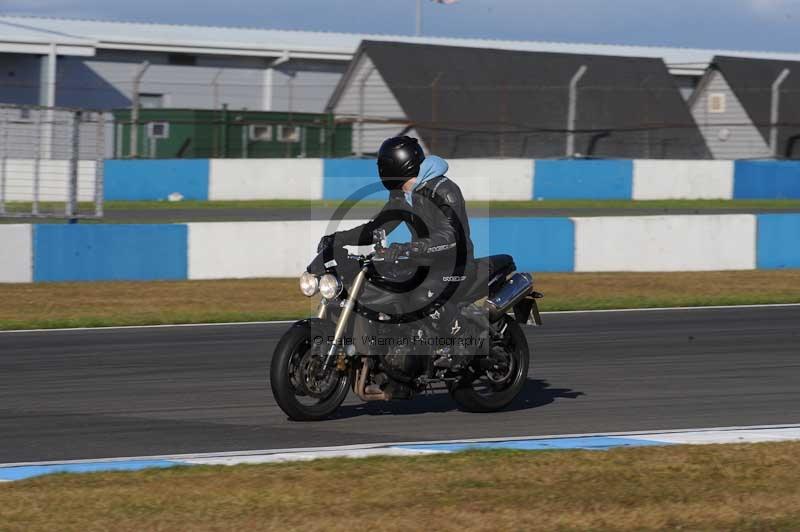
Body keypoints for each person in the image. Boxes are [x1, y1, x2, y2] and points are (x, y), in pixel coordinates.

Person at [317, 136, 478, 369]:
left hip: (455, 265)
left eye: (384, 163)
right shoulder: (403, 194)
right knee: (384, 285)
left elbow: (452, 236)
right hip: (421, 262)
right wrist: (339, 239)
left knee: (423, 296)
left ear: (397, 164)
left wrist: (409, 247)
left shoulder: (444, 189)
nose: (381, 168)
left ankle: (465, 340)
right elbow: (378, 226)